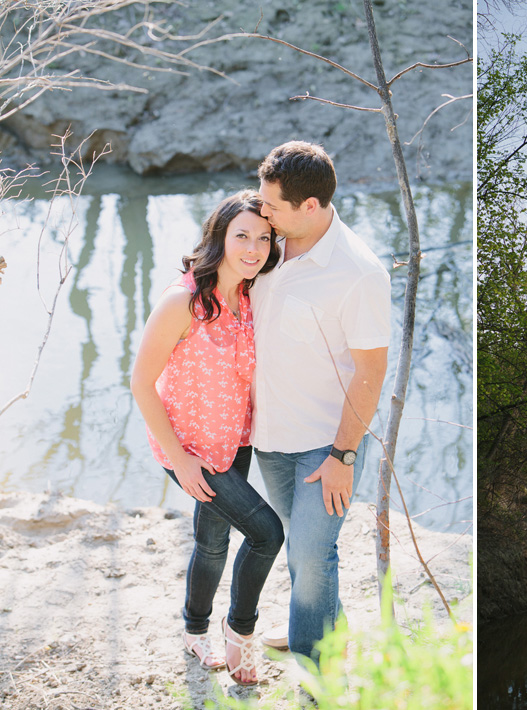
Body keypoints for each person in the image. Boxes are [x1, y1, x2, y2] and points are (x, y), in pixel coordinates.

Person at [130, 190, 285, 685]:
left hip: (234, 443)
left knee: (212, 541)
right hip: (192, 453)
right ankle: (240, 631)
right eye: (242, 235)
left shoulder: (249, 296)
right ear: (218, 236)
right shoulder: (184, 301)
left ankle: (194, 632)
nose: (254, 248)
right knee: (267, 534)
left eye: (264, 238)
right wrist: (180, 460)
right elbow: (140, 383)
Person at [250, 141, 391, 663]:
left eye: (272, 206)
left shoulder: (359, 272)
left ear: (310, 206)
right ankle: (322, 623)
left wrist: (343, 456)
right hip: (269, 439)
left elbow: (371, 371)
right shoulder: (265, 245)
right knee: (299, 547)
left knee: (312, 555)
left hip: (324, 446)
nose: (262, 213)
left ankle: (315, 669)